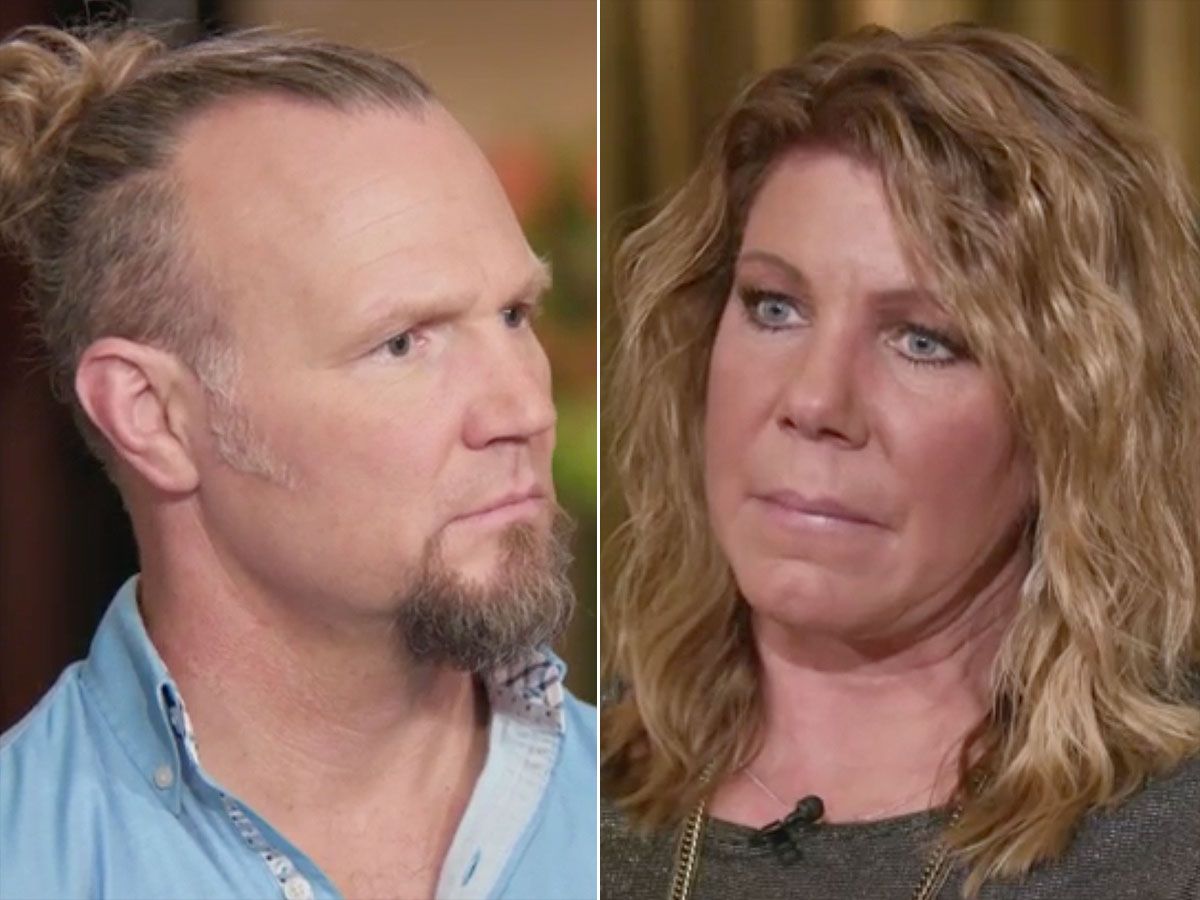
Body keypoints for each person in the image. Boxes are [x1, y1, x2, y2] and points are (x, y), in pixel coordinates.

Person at [601, 23, 1200, 900]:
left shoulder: (1169, 849)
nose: (815, 401)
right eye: (774, 307)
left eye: (924, 340)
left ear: (1072, 421)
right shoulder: (555, 791)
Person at [0, 24, 595, 900]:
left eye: (515, 315)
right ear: (152, 416)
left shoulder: (670, 829)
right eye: (403, 343)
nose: (526, 410)